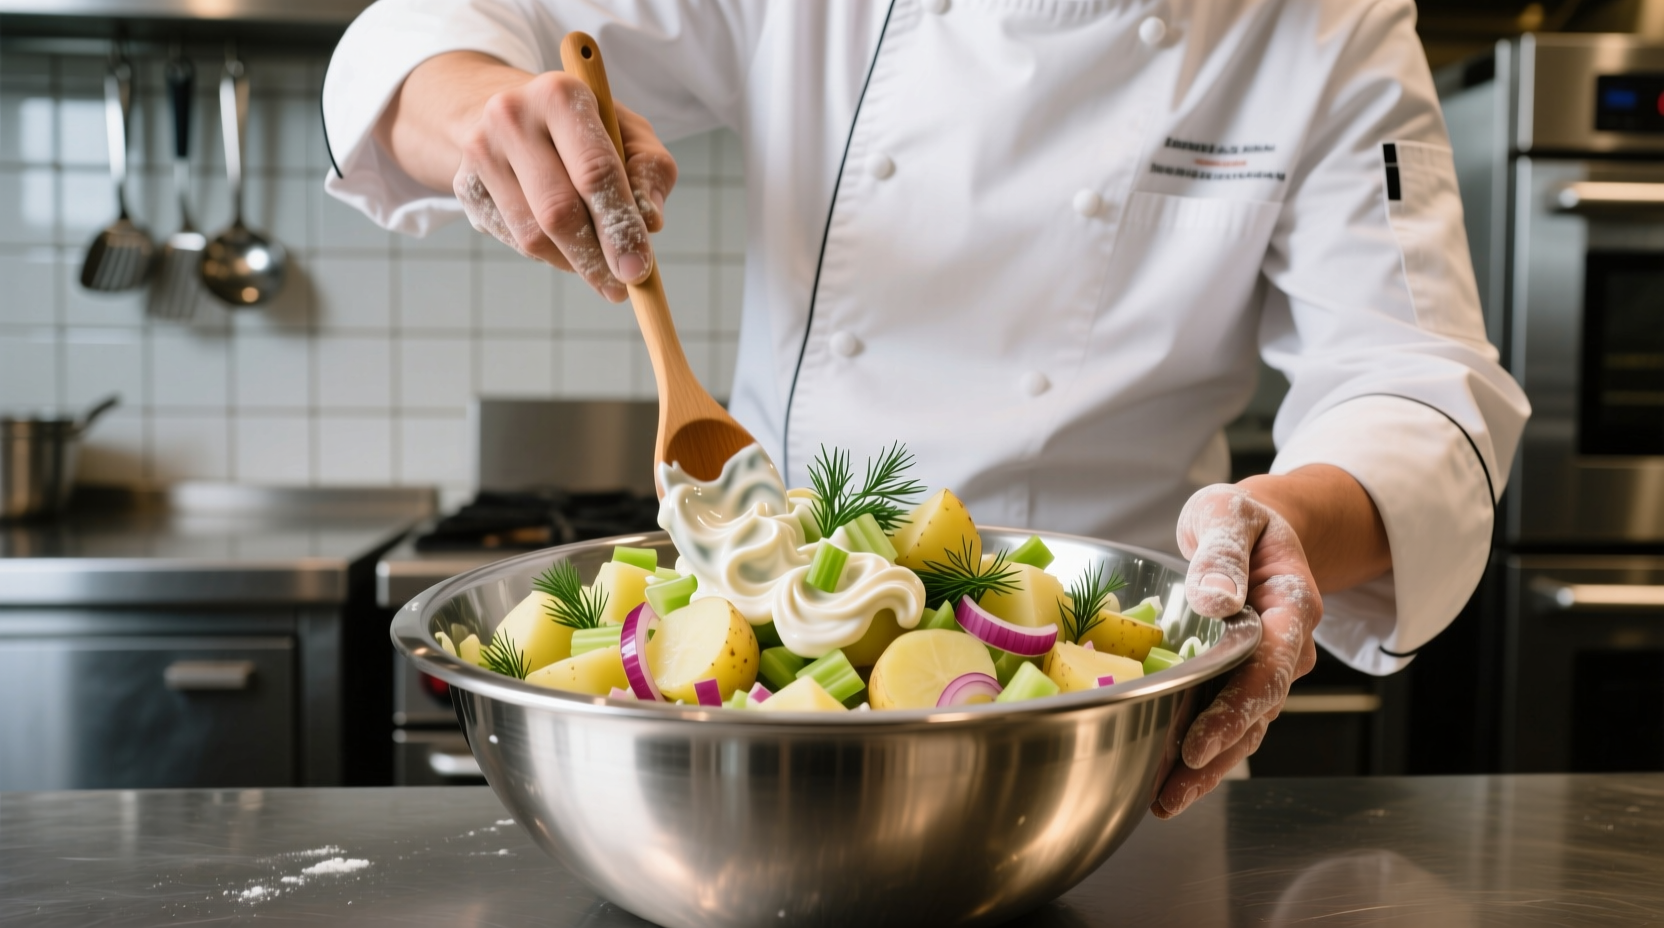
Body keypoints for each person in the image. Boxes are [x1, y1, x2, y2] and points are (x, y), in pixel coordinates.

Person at [322, 0, 1530, 816]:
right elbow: (429, 35)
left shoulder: (1323, 25)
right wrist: (483, 103)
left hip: (1099, 744)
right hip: (763, 732)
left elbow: (1418, 382)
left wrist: (1280, 526)